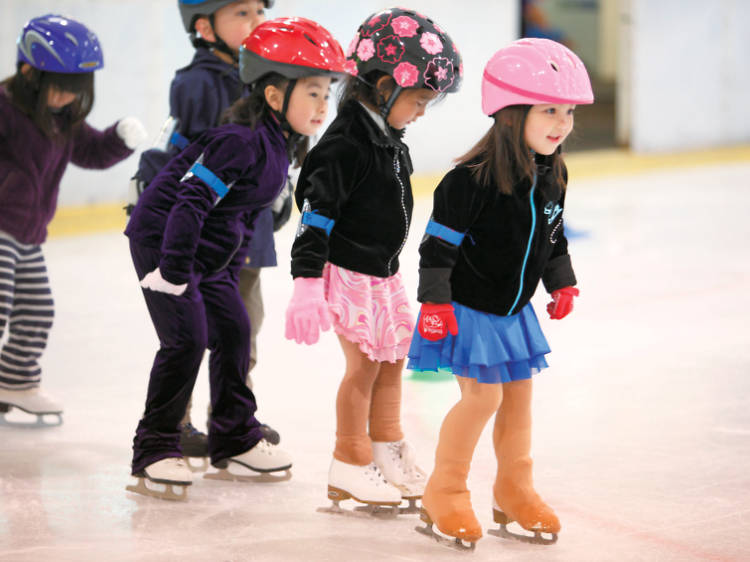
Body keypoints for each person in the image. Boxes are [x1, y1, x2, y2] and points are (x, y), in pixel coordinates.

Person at [124, 17, 346, 501]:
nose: (323, 105)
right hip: (166, 242)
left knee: (234, 329)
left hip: (211, 251)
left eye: (327, 93)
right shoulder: (241, 141)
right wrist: (176, 272)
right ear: (273, 96)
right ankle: (155, 447)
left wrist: (228, 262)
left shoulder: (278, 141)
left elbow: (240, 210)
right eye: (313, 93)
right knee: (187, 340)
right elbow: (189, 201)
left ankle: (234, 435)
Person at [408, 38, 594, 548]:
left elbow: (551, 237)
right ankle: (443, 491)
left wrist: (562, 281)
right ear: (512, 112)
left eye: (569, 112)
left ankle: (514, 489)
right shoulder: (469, 180)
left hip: (514, 312)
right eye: (549, 110)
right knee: (482, 398)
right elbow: (436, 250)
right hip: (469, 308)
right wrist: (435, 302)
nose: (562, 123)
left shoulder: (552, 173)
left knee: (518, 403)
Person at [285, 8, 463, 511]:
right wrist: (305, 281)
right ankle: (349, 458)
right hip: (348, 274)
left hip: (383, 276)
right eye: (421, 100)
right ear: (385, 85)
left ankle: (386, 449)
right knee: (363, 369)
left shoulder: (387, 139)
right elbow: (315, 217)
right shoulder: (345, 144)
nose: (423, 112)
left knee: (391, 362)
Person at [130, 0, 283, 458]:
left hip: (246, 232)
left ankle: (233, 419)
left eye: (259, 11)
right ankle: (176, 423)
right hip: (205, 234)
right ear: (204, 27)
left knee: (242, 329)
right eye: (241, 14)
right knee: (193, 333)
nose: (256, 22)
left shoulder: (263, 80)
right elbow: (201, 168)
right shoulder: (198, 83)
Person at [0, 14, 146, 427]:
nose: (66, 98)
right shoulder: (5, 109)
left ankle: (14, 381)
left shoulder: (61, 121)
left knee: (37, 310)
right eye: (60, 88)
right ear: (29, 70)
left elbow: (93, 153)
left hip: (28, 234)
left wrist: (119, 139)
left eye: (76, 91)